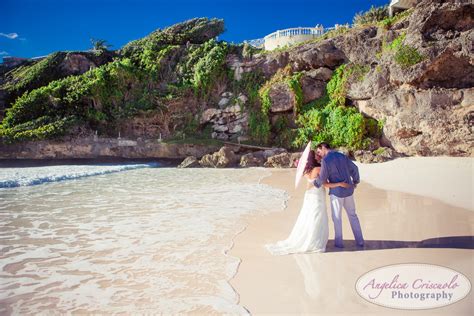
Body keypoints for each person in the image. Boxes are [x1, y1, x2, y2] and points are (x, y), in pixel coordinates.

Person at [265, 150, 350, 255]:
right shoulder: (319, 169)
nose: (318, 156)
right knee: (317, 218)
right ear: (313, 159)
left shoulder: (305, 171)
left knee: (307, 217)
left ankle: (309, 238)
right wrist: (340, 184)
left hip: (308, 196)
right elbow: (326, 185)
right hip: (317, 196)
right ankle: (314, 241)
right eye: (316, 155)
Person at [313, 142, 364, 248]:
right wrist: (355, 181)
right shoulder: (342, 155)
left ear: (323, 147)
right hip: (349, 191)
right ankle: (360, 241)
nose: (319, 154)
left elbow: (322, 179)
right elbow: (355, 169)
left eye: (319, 151)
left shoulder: (326, 161)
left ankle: (339, 243)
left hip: (337, 193)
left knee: (337, 218)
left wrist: (315, 183)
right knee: (353, 216)